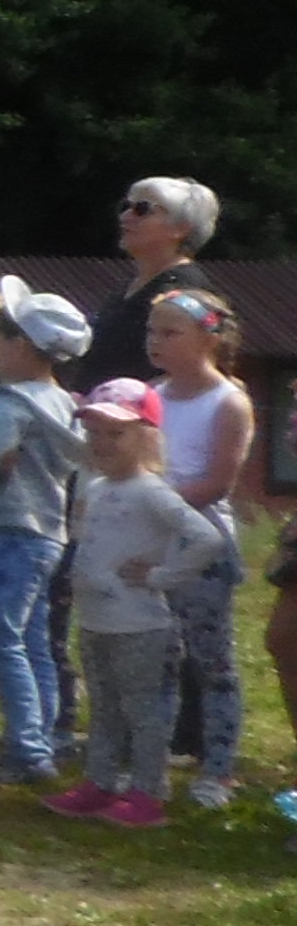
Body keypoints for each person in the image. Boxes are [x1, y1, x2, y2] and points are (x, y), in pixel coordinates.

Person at [58, 379, 230, 826]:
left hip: (140, 625)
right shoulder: (95, 487)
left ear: (147, 437)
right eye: (94, 433)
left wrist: (162, 576)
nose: (102, 443)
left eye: (116, 433)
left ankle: (148, 791)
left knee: (143, 711)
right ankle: (100, 781)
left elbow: (206, 538)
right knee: (104, 707)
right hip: (96, 620)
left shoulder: (151, 491)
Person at [0, 279, 88, 785]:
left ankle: (26, 750)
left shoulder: (11, 403)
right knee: (34, 640)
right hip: (49, 533)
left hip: (10, 529)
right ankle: (42, 736)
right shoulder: (63, 403)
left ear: (22, 345)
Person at [149, 286, 257, 809]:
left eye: (170, 332)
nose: (156, 341)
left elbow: (217, 481)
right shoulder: (152, 394)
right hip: (153, 542)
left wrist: (152, 501)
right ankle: (152, 759)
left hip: (202, 546)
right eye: (152, 331)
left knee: (211, 662)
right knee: (158, 657)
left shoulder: (229, 401)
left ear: (209, 338)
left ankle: (218, 768)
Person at [74, 178, 220, 390]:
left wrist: (125, 400)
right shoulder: (131, 286)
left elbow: (190, 369)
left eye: (142, 209)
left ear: (180, 228)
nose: (125, 216)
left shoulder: (186, 292)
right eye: (125, 206)